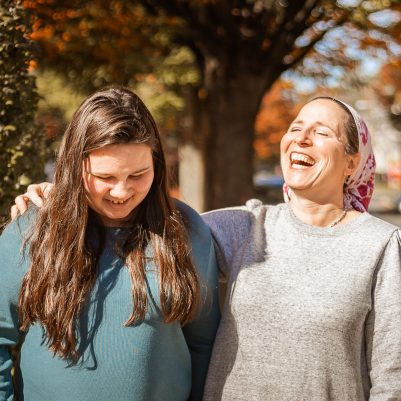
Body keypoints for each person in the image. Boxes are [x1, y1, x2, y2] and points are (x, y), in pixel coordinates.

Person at [10, 97, 401, 400]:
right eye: (296, 126)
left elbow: (392, 375)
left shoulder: (380, 245)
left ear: (353, 161)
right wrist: (54, 197)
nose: (300, 137)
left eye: (321, 132)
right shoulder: (241, 226)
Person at [0, 86, 220, 401]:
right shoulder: (31, 230)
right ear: (76, 167)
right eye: (105, 178)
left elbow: (203, 344)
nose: (121, 192)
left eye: (138, 175)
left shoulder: (187, 230)